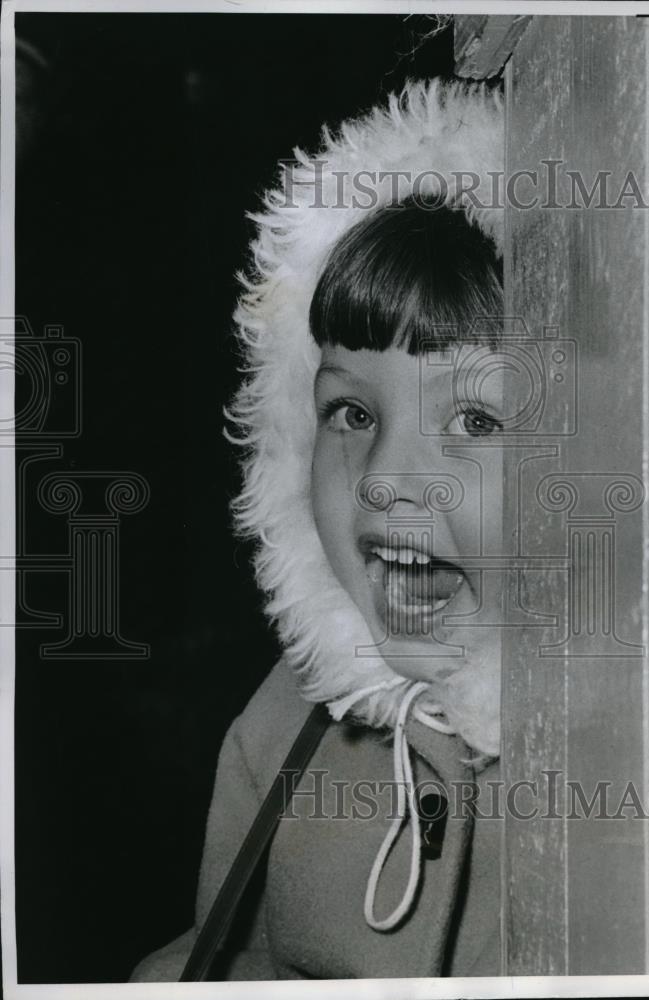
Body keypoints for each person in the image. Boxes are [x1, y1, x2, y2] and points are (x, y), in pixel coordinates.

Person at [132, 78, 513, 982]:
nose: (383, 482)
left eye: (475, 421)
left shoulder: (645, 757)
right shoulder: (284, 726)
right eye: (349, 412)